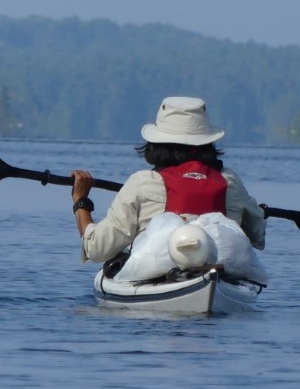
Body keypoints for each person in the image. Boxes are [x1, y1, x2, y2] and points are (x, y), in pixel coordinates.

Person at [69, 96, 266, 268]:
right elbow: (257, 235)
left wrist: (80, 201)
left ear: (156, 144)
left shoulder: (142, 183)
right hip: (220, 271)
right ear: (207, 144)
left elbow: (97, 248)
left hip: (157, 273)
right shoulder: (230, 181)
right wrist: (258, 211)